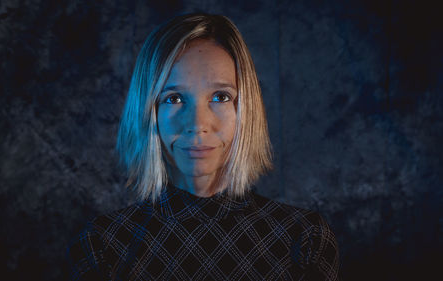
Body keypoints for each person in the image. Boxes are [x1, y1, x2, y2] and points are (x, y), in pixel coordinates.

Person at [68, 13, 340, 280]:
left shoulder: (304, 240)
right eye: (173, 99)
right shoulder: (103, 246)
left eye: (221, 97)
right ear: (148, 110)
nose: (198, 124)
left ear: (246, 109)